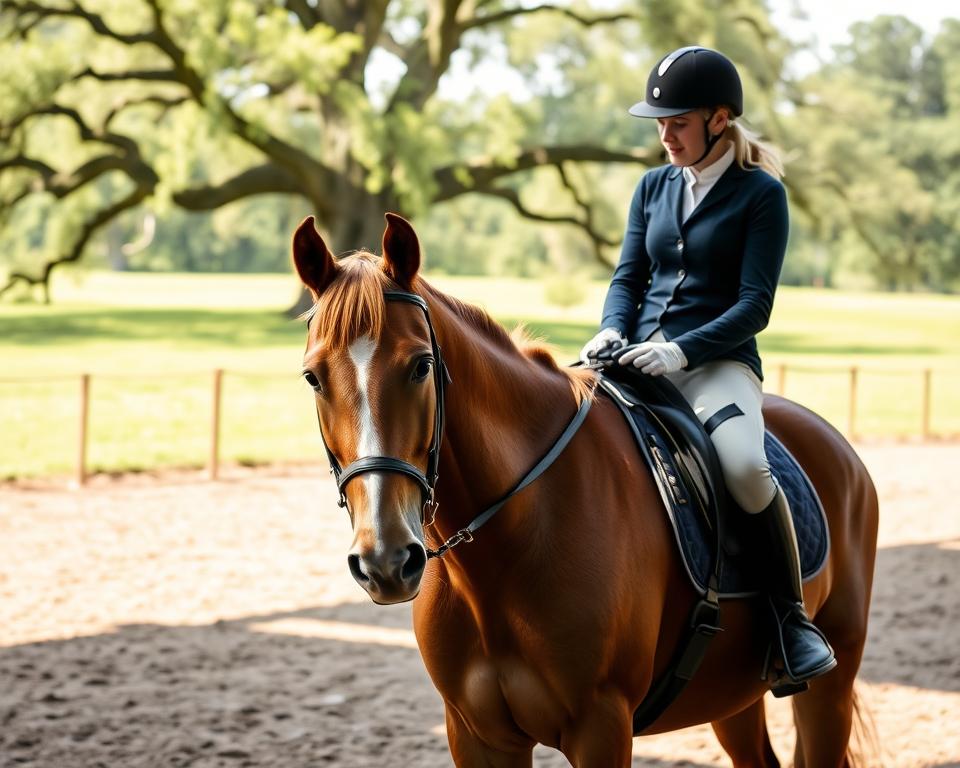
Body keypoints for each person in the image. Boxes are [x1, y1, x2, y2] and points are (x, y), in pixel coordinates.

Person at [580, 46, 836, 687]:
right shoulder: (652, 186)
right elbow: (629, 275)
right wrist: (612, 327)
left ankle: (790, 622)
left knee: (748, 469)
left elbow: (755, 306)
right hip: (635, 355)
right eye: (659, 123)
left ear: (720, 119)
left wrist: (683, 350)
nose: (664, 135)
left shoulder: (761, 196)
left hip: (717, 364)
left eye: (678, 122)